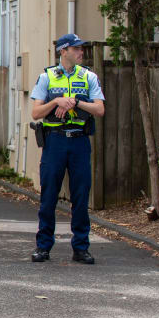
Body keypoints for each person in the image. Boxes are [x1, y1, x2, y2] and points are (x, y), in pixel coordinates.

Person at [29, 33, 106, 264]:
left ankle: (81, 247)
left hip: (80, 141)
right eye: (76, 49)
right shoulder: (47, 77)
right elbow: (36, 113)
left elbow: (100, 110)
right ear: (63, 51)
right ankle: (43, 247)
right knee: (49, 195)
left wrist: (74, 101)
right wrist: (56, 101)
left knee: (81, 195)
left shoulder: (89, 77)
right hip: (55, 141)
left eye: (81, 49)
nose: (81, 52)